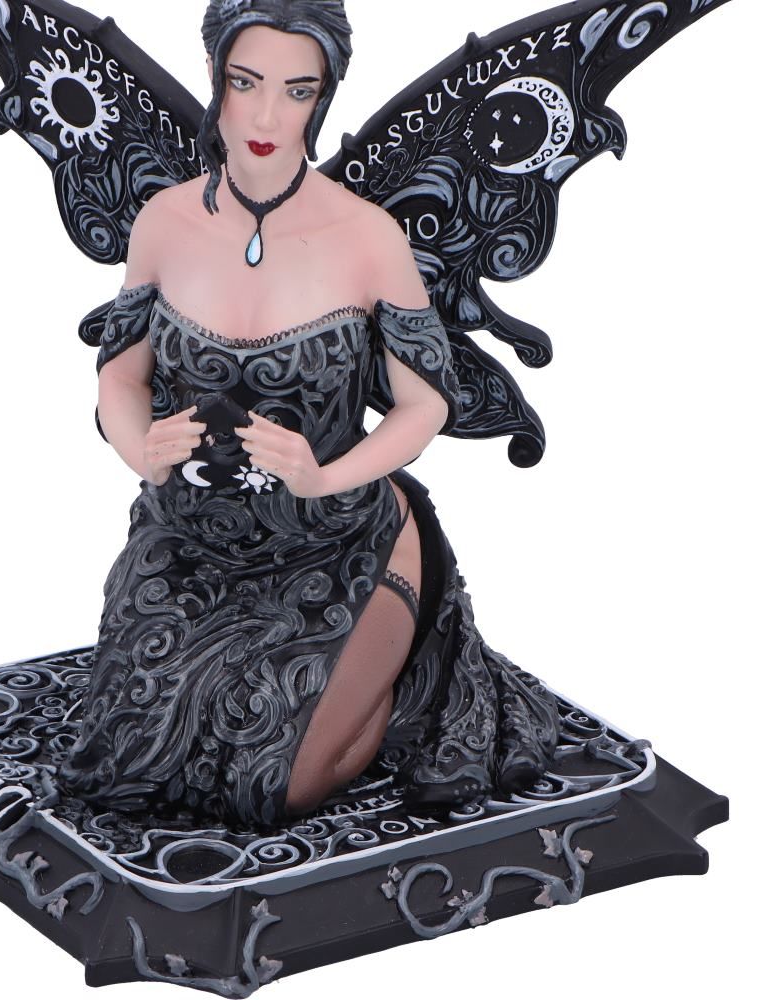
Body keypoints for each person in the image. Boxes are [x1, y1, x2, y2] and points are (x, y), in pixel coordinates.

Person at [58, 0, 560, 827]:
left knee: (277, 786)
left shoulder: (369, 237)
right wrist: (139, 447)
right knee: (124, 763)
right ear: (214, 77)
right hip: (189, 538)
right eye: (245, 83)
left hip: (339, 539)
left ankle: (401, 675)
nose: (266, 117)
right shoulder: (163, 221)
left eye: (297, 91)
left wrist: (323, 475)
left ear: (323, 96)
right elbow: (119, 375)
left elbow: (424, 404)